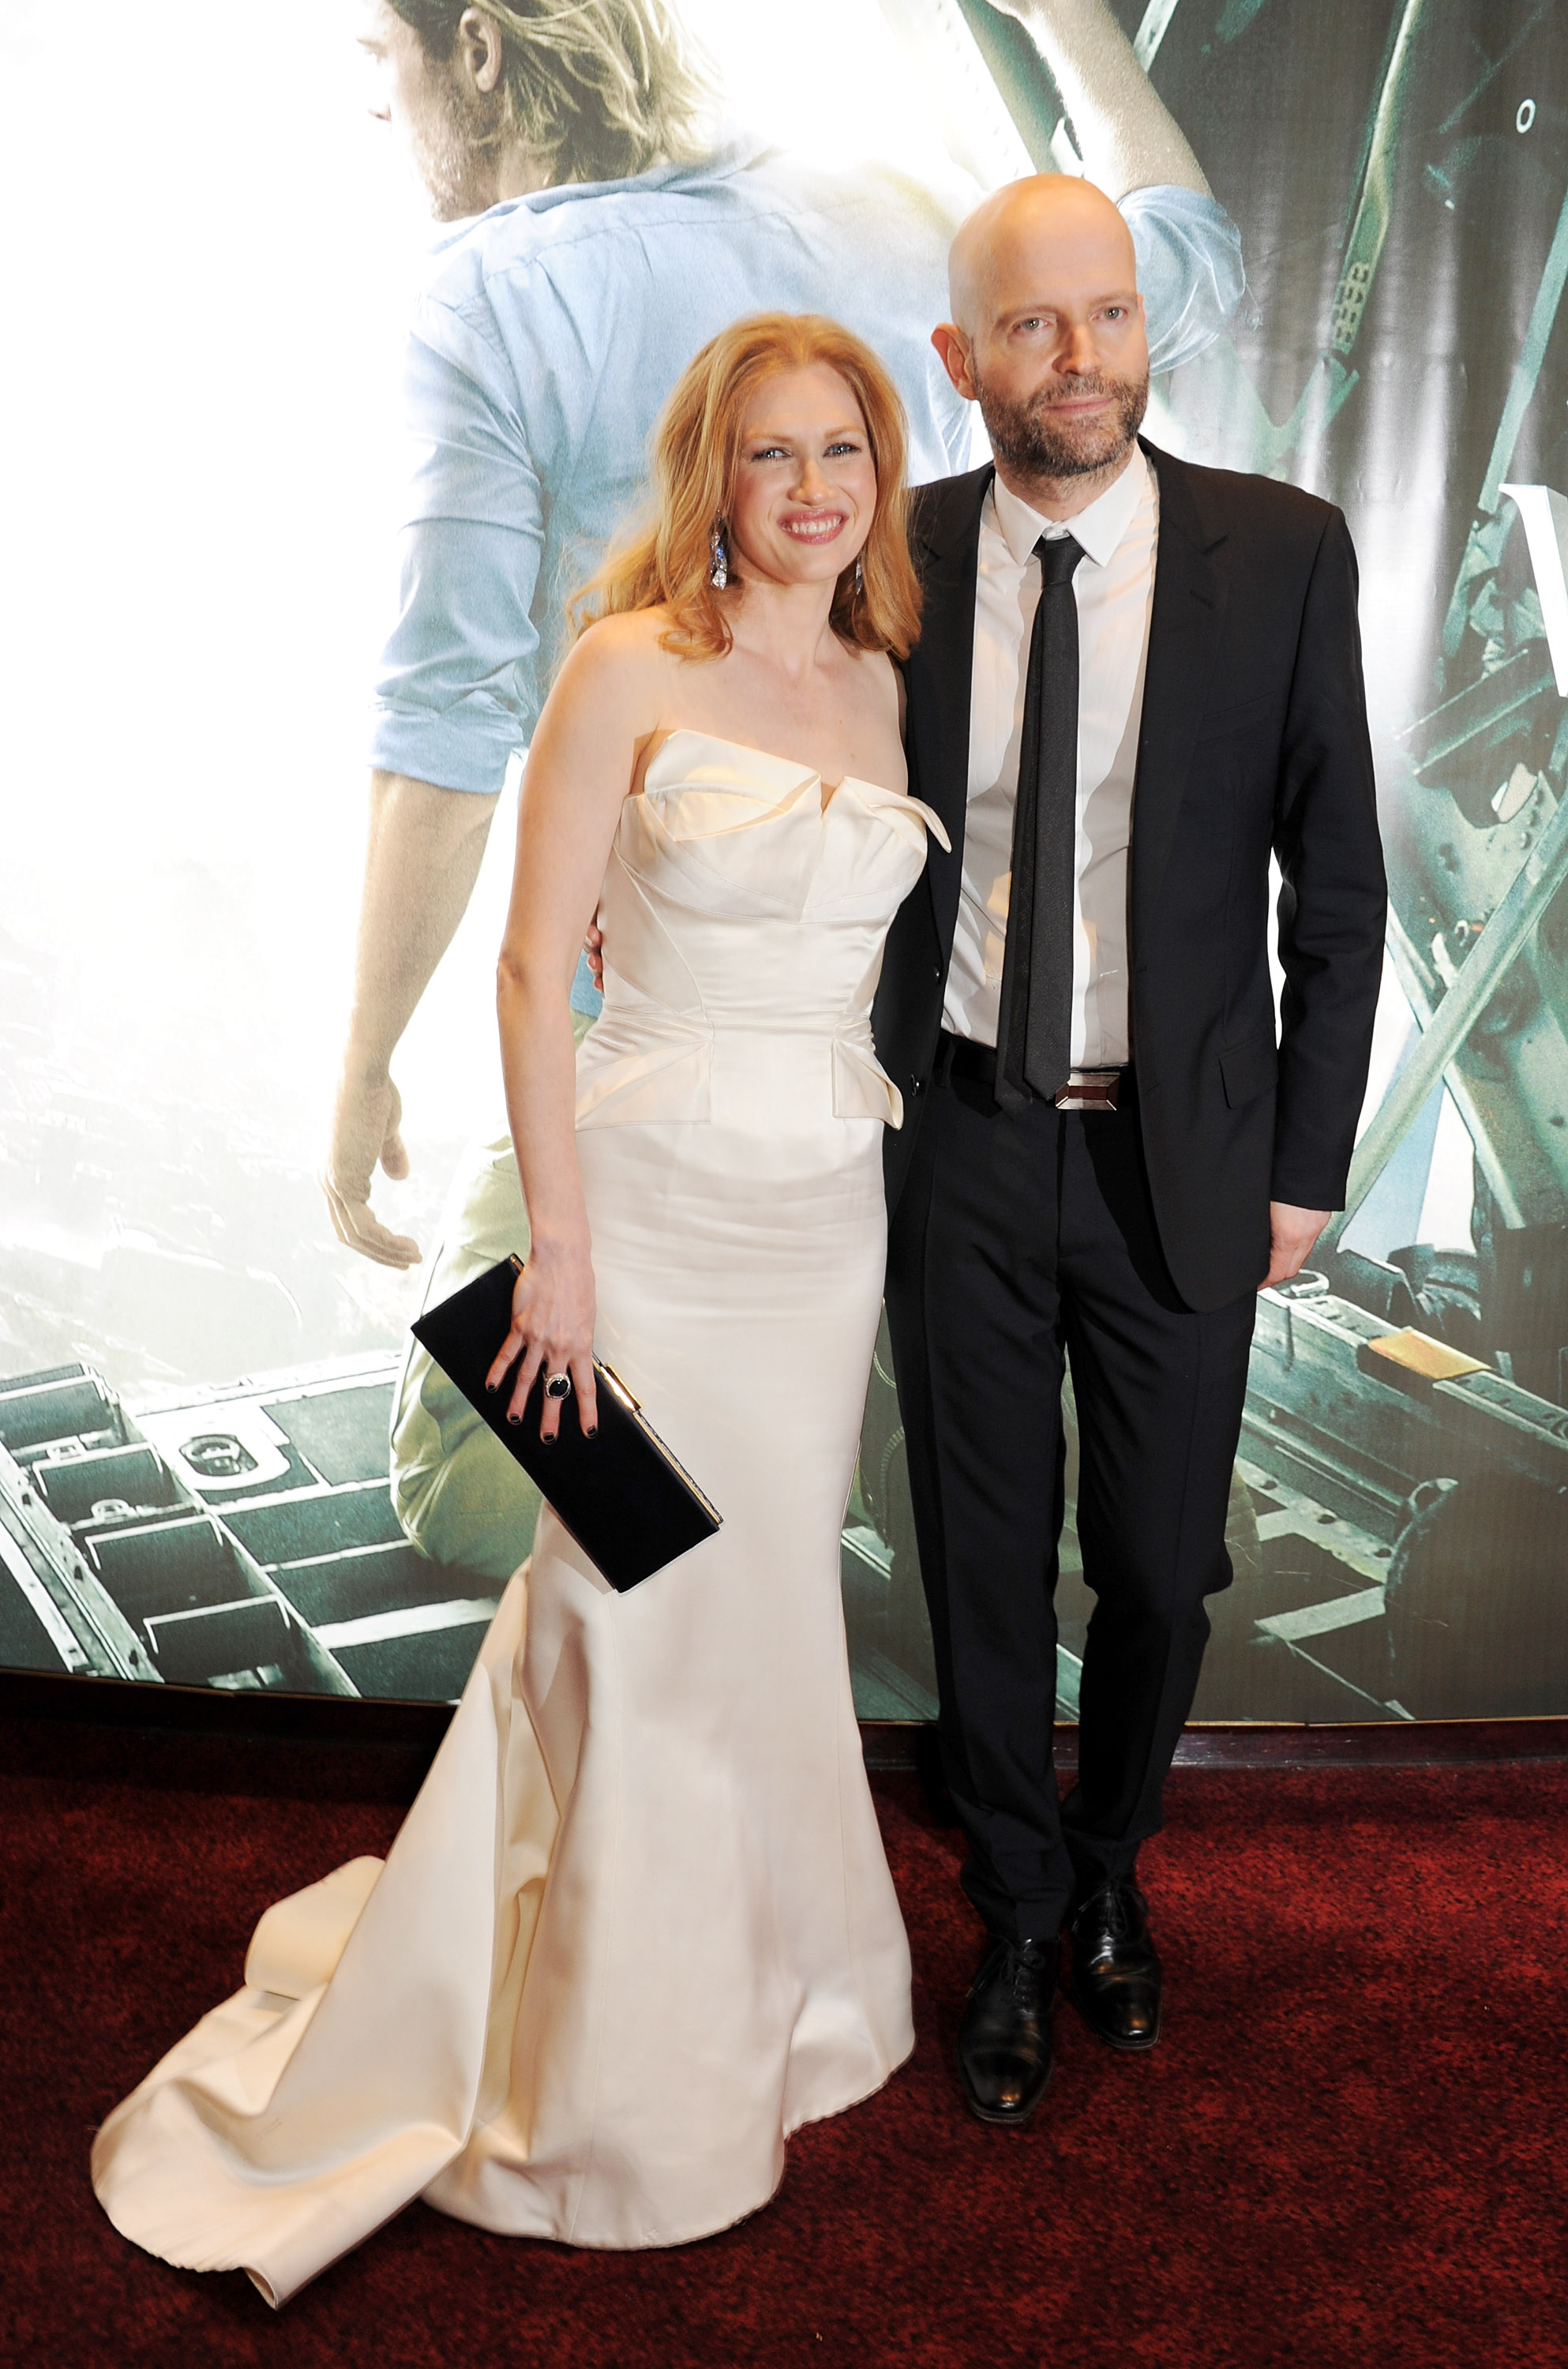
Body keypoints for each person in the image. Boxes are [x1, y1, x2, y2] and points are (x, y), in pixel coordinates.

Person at [91, 313, 944, 2300]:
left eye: (842, 451)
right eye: (771, 453)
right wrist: (555, 1247)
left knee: (763, 1608)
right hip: (643, 1216)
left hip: (825, 1221)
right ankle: (604, 2083)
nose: (812, 488)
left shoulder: (882, 682)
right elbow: (528, 966)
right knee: (631, 1601)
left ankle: (781, 1995)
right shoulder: (626, 662)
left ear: (879, 478)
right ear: (712, 476)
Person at [325, 0, 1247, 1591]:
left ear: (478, 48)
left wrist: (364, 1066)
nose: (373, 109)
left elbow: (445, 740)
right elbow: (1190, 257)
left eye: (378, 61)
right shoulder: (889, 219)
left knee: (462, 1481)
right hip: (951, 1028)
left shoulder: (490, 300)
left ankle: (775, 1476)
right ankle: (866, 1422)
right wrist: (1065, 22)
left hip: (695, 1043)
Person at [870, 175, 1386, 2124]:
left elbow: (1341, 892)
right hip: (965, 1141)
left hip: (1187, 1161)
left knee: (1162, 1571)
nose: (1077, 358)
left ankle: (1112, 1868)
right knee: (981, 1567)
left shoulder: (1283, 549)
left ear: (1146, 327)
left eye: (1108, 314)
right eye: (1031, 323)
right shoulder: (898, 556)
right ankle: (1016, 1915)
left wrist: (1307, 1165)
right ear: (963, 356)